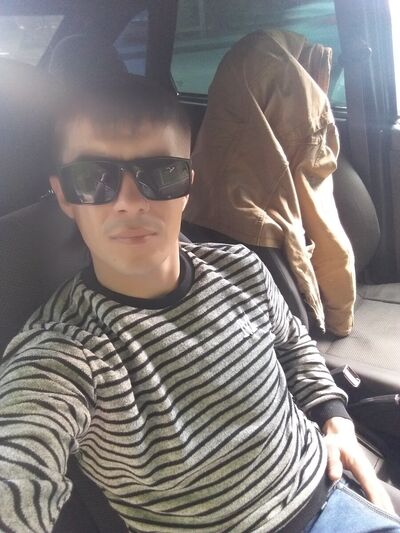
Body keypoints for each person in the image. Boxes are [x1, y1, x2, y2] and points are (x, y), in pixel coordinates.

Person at [0, 76, 399, 533]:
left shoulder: (241, 268)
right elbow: (18, 468)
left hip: (331, 494)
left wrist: (333, 416)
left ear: (187, 183)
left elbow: (292, 343)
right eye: (93, 179)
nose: (129, 202)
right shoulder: (64, 351)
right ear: (65, 196)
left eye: (160, 174)